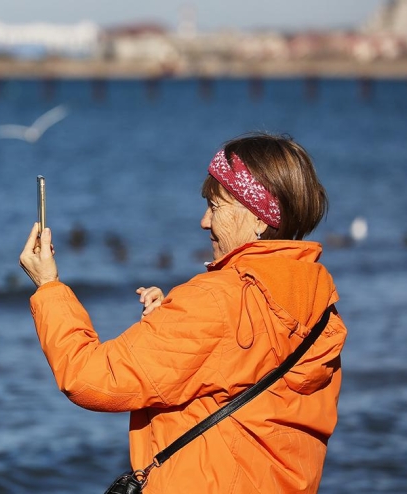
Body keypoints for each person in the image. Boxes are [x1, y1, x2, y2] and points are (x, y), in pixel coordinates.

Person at [19, 132, 347, 493]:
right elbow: (247, 390)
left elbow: (91, 378)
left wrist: (48, 287)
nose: (204, 221)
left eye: (216, 206)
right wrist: (170, 322)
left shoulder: (217, 300)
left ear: (258, 217)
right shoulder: (320, 310)